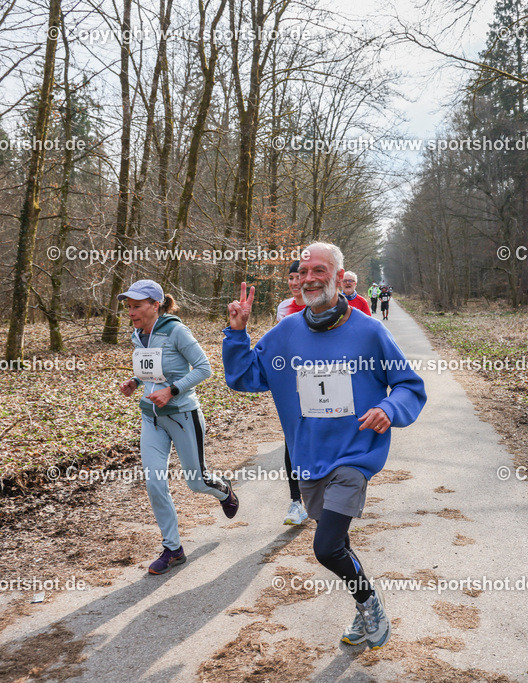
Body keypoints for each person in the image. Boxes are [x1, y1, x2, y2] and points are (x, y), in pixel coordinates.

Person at [222, 243, 427, 650]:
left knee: (326, 546)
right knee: (340, 544)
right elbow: (243, 378)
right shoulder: (285, 334)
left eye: (321, 269)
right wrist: (237, 333)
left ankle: (370, 603)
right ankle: (360, 601)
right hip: (308, 459)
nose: (311, 277)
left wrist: (389, 407)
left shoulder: (369, 331)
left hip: (354, 456)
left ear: (338, 276)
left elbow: (409, 386)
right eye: (305, 270)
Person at [117, 280, 239, 575]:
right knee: (154, 482)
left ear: (154, 305)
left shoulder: (176, 331)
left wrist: (171, 391)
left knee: (196, 482)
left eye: (136, 306)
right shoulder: (137, 334)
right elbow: (149, 370)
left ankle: (224, 491)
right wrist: (135, 382)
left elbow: (204, 368)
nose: (130, 312)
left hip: (183, 416)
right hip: (151, 418)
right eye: (128, 307)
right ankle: (173, 548)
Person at [275, 260, 308, 525]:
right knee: (292, 440)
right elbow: (279, 346)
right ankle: (296, 501)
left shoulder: (323, 303)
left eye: (299, 277)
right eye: (291, 278)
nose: (295, 282)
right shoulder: (283, 308)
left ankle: (326, 496)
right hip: (293, 384)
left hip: (325, 385)